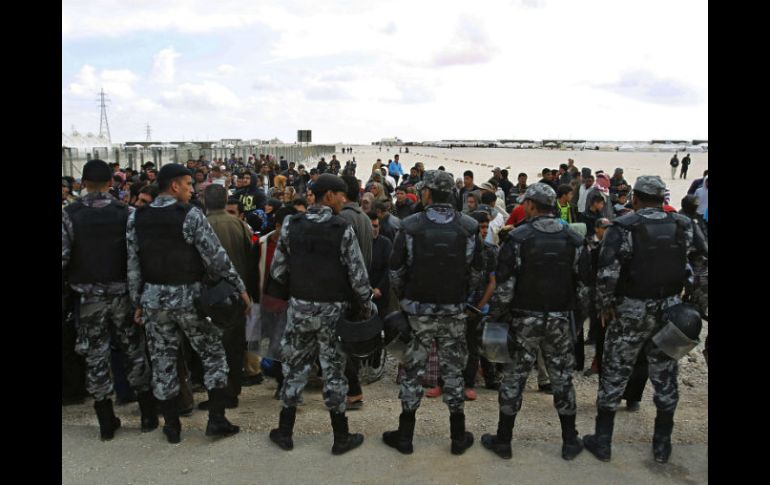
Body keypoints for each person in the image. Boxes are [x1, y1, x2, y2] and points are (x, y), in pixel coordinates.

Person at [583, 175, 708, 464]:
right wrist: (691, 295)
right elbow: (702, 259)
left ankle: (602, 441)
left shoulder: (625, 226)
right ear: (663, 198)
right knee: (665, 375)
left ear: (635, 198)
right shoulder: (684, 224)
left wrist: (605, 305)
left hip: (630, 312)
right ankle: (662, 446)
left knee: (615, 372)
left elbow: (607, 271)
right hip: (670, 311)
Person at [127, 163, 248, 443]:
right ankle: (216, 419)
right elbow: (215, 257)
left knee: (163, 360)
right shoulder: (190, 215)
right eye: (188, 185)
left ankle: (171, 426)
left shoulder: (137, 218)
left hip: (155, 300)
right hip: (188, 298)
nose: (192, 190)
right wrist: (239, 288)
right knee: (213, 354)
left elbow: (133, 265)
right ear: (174, 186)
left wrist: (138, 302)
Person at [267, 174, 373, 455]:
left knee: (294, 367)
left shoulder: (292, 224)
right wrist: (366, 305)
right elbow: (358, 275)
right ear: (329, 196)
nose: (343, 200)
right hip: (332, 312)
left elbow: (277, 270)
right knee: (334, 371)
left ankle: (285, 432)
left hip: (300, 309)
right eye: (340, 195)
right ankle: (341, 437)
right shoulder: (342, 227)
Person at [481, 183, 588, 461]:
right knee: (562, 377)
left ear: (530, 205)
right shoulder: (573, 238)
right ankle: (569, 441)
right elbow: (584, 288)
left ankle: (503, 441)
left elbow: (504, 289)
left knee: (514, 377)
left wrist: (499, 318)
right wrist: (575, 319)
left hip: (524, 318)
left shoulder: (518, 238)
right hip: (560, 319)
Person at [384, 170, 484, 456]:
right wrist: (462, 299)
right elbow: (477, 271)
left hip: (418, 311)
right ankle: (457, 436)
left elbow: (396, 271)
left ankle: (405, 436)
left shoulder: (411, 225)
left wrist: (406, 300)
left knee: (413, 371)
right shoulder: (467, 226)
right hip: (453, 311)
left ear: (428, 193)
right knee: (453, 371)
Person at [62, 159, 155, 441]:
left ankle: (105, 421)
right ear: (110, 183)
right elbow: (137, 256)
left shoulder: (69, 214)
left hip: (89, 297)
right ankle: (148, 415)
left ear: (82, 183)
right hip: (122, 295)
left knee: (95, 356)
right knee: (134, 351)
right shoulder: (126, 213)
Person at [198, 184, 255, 410]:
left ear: (205, 201)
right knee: (234, 347)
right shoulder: (240, 225)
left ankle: (218, 395)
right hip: (238, 296)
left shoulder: (201, 226)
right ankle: (232, 391)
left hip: (212, 298)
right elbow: (250, 258)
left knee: (213, 349)